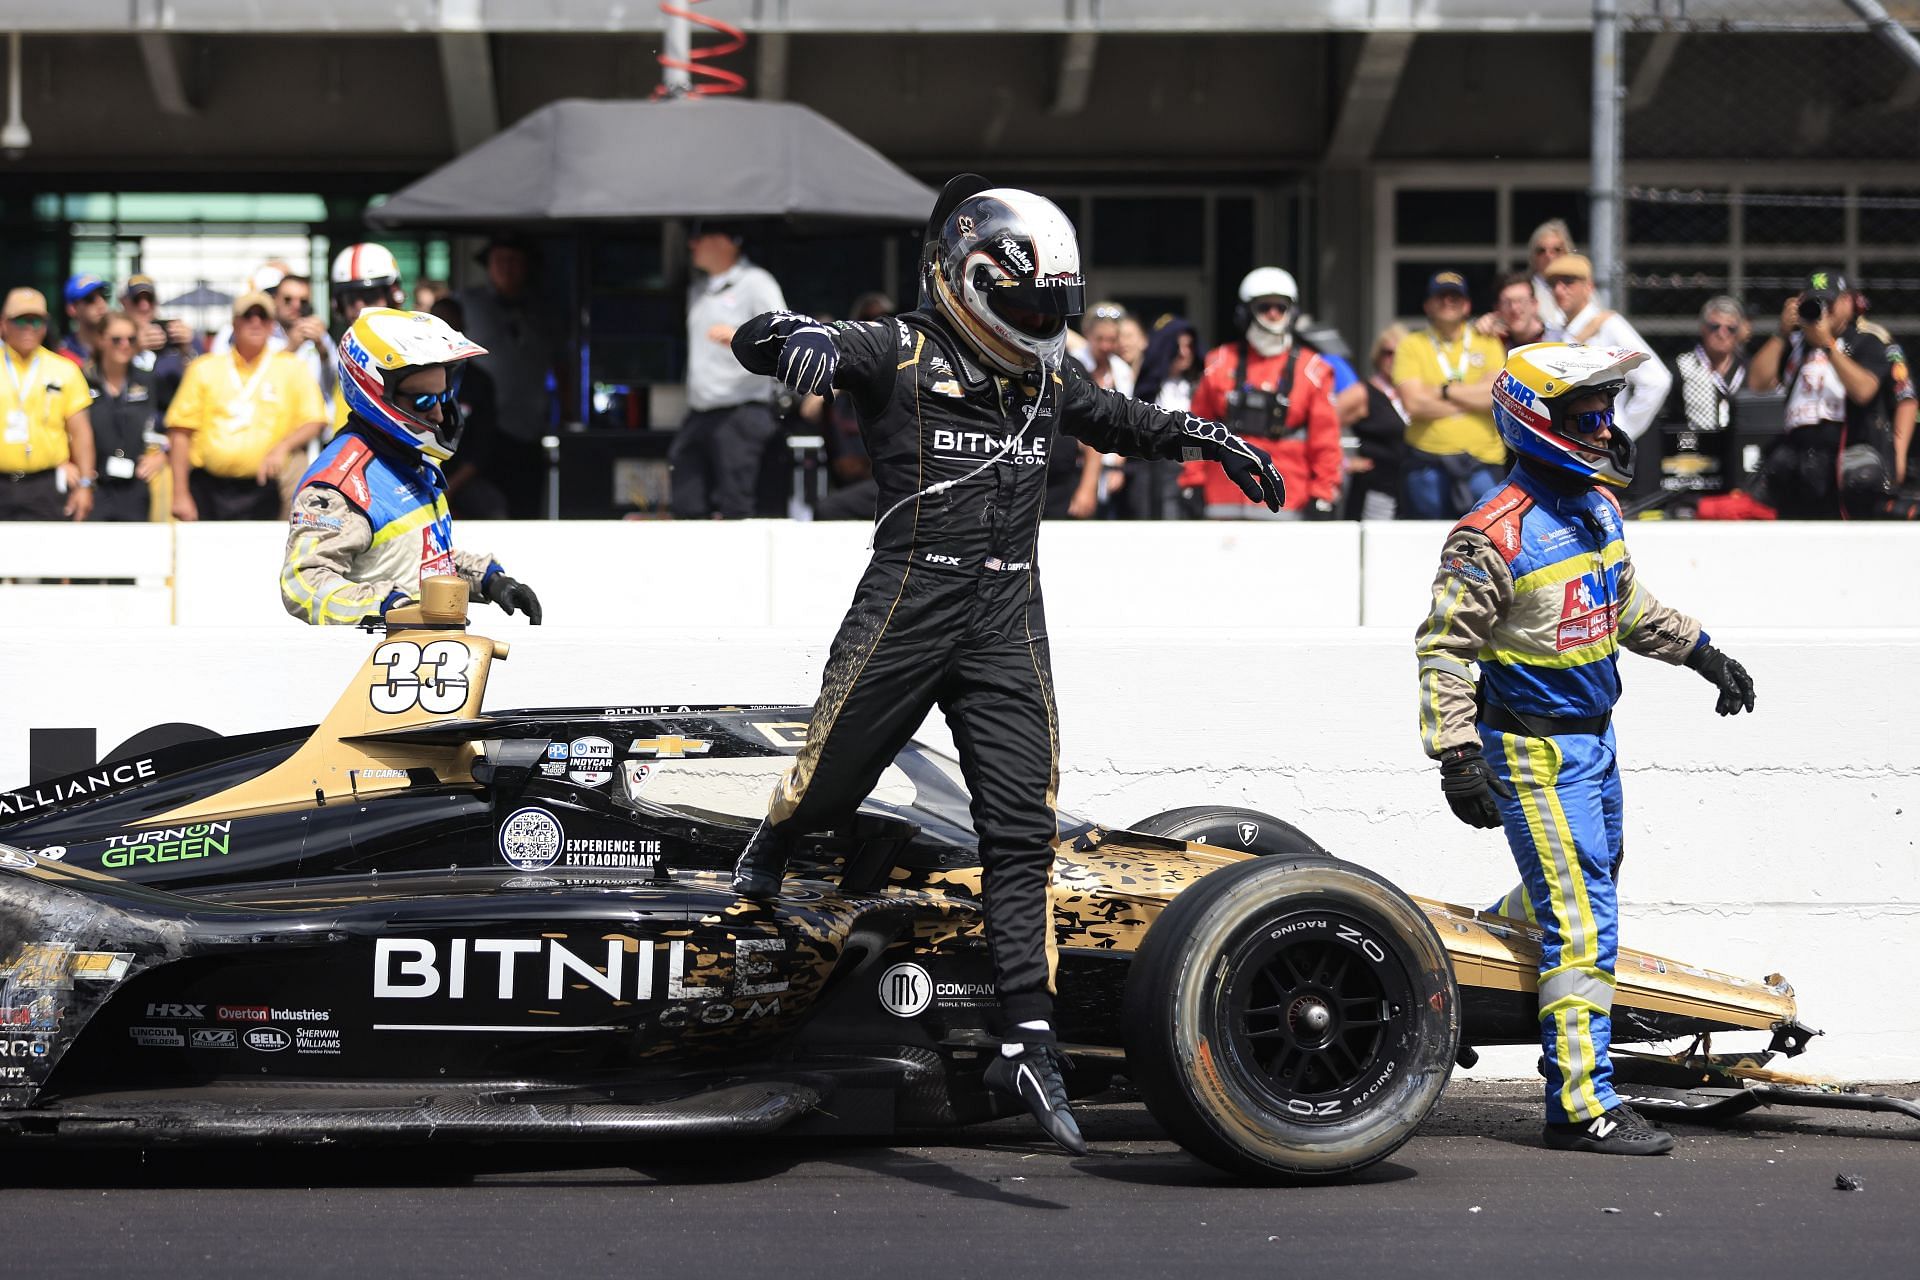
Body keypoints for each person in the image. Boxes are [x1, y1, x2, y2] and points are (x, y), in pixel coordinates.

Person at [724, 178, 1284, 1155]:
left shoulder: (1048, 371)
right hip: (908, 597)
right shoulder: (896, 348)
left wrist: (1206, 434)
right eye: (1024, 305)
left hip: (1007, 612)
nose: (1040, 323)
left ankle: (1029, 1033)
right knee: (828, 779)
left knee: (1022, 827)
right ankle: (768, 854)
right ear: (967, 279)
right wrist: (784, 339)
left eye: (1051, 309)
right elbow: (756, 335)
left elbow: (1118, 417)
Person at [1414, 341, 1755, 1157]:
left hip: (1596, 744)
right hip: (1530, 751)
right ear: (1536, 424)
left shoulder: (1597, 508)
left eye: (1605, 412)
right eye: (1584, 417)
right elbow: (1443, 650)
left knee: (1583, 881)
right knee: (1582, 919)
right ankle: (1581, 1103)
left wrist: (1702, 650)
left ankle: (1459, 965)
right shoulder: (1488, 536)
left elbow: (1625, 606)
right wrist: (1456, 754)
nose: (1604, 429)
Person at [281, 308, 542, 626]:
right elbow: (303, 583)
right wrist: (387, 607)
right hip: (376, 666)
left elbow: (413, 556)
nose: (439, 414)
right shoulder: (340, 485)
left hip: (424, 658)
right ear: (376, 393)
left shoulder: (405, 459)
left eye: (444, 397)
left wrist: (487, 579)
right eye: (422, 401)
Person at [1736, 271, 1909, 519]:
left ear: (1847, 302)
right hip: (1799, 455)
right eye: (1815, 303)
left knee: (1860, 480)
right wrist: (1781, 332)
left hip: (1847, 455)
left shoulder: (1866, 341)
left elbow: (1864, 391)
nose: (1823, 311)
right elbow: (1757, 382)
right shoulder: (1795, 343)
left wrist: (1827, 345)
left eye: (1829, 303)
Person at [1179, 267, 1341, 518]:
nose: (1274, 314)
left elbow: (1326, 439)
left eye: (1281, 307)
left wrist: (1323, 493)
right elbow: (1195, 430)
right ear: (1247, 312)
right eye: (1265, 307)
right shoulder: (1219, 362)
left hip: (1286, 499)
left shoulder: (1313, 370)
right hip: (1221, 499)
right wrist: (1192, 482)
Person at [165, 291, 327, 521]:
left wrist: (283, 447)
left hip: (268, 486)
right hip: (210, 488)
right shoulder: (205, 368)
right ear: (234, 323)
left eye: (263, 316)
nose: (255, 322)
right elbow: (180, 431)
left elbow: (315, 420)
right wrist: (180, 494)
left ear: (272, 325)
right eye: (248, 315)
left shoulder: (291, 367)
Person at [671, 221, 788, 520]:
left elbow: (785, 335)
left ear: (726, 241)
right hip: (700, 410)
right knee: (686, 500)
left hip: (742, 411)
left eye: (700, 238)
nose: (692, 245)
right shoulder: (697, 290)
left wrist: (739, 337)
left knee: (737, 504)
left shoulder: (757, 283)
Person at [1392, 271, 1507, 519]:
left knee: (1485, 542)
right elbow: (1413, 403)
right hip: (1427, 463)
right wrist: (1468, 400)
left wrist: (1443, 391)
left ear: (1467, 305)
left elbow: (1494, 397)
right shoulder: (1411, 345)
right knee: (1426, 546)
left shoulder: (1488, 342)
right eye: (1440, 296)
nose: (1448, 302)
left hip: (1482, 462)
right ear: (1427, 305)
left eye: (1455, 297)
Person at [1541, 256, 1672, 471]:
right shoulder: (1555, 332)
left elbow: (1657, 380)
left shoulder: (1609, 325)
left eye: (1568, 282)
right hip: (1566, 446)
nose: (1559, 289)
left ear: (1588, 286)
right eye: (1553, 283)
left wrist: (1623, 429)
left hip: (1600, 446)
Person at [0, 287, 95, 521]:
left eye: (36, 321)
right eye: (21, 320)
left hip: (45, 485)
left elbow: (81, 432)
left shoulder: (65, 369)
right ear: (4, 324)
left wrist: (84, 484)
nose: (29, 328)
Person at [430, 296, 510, 521]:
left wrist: (449, 490)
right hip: (420, 475)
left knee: (494, 506)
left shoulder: (480, 382)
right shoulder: (412, 376)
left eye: (451, 328)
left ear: (462, 331)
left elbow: (481, 449)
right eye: (437, 329)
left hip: (462, 479)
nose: (443, 338)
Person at [83, 310, 165, 522]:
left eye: (131, 339)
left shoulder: (148, 381)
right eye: (116, 339)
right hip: (95, 486)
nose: (124, 345)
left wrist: (162, 454)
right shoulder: (83, 381)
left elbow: (174, 424)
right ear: (101, 340)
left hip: (136, 485)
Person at [1346, 322, 1409, 520]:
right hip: (1376, 491)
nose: (1394, 359)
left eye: (1401, 354)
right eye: (1388, 352)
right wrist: (1343, 462)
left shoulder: (1414, 392)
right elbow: (1321, 422)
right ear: (1377, 356)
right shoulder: (1362, 392)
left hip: (1410, 489)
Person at [120, 274, 194, 413]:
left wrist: (187, 351)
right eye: (137, 300)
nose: (145, 306)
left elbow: (200, 386)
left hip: (169, 423)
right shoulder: (116, 337)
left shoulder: (177, 336)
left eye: (150, 299)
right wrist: (134, 348)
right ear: (124, 303)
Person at [269, 271, 338, 404]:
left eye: (303, 301)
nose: (296, 306)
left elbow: (333, 386)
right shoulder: (264, 334)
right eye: (288, 300)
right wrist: (290, 348)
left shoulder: (319, 335)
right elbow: (260, 381)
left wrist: (323, 351)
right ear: (275, 300)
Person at [1526, 219, 1576, 332]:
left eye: (1557, 250)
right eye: (1541, 250)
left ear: (1567, 252)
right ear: (1533, 256)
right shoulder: (1526, 289)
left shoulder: (1580, 286)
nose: (1549, 255)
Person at [58, 273, 112, 367]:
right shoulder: (62, 354)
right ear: (72, 309)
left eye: (104, 296)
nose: (101, 303)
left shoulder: (122, 343)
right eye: (89, 299)